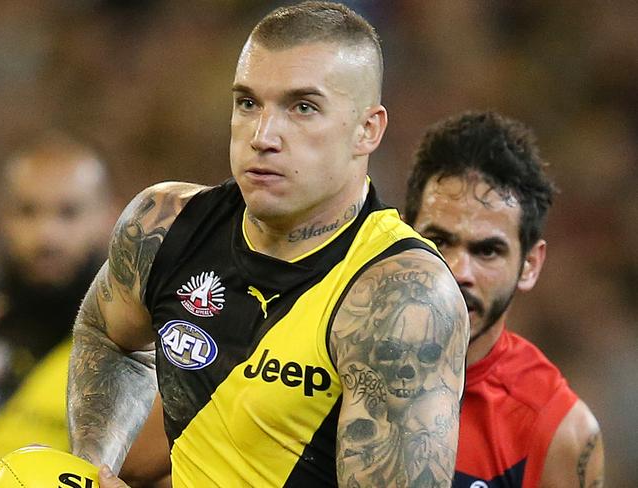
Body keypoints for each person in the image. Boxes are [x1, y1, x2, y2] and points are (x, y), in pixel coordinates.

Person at [67, 2, 469, 487]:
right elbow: (107, 334)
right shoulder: (164, 226)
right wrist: (91, 468)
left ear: (368, 129)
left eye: (302, 107)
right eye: (248, 103)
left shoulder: (401, 297)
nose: (263, 135)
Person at [404, 111, 605, 487]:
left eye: (487, 251)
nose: (458, 270)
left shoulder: (560, 431)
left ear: (529, 265)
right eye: (439, 241)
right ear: (400, 238)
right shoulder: (326, 360)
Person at [0, 132, 115, 466]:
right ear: (4, 218)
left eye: (69, 213)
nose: (47, 236)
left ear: (107, 218)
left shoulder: (137, 347)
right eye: (27, 212)